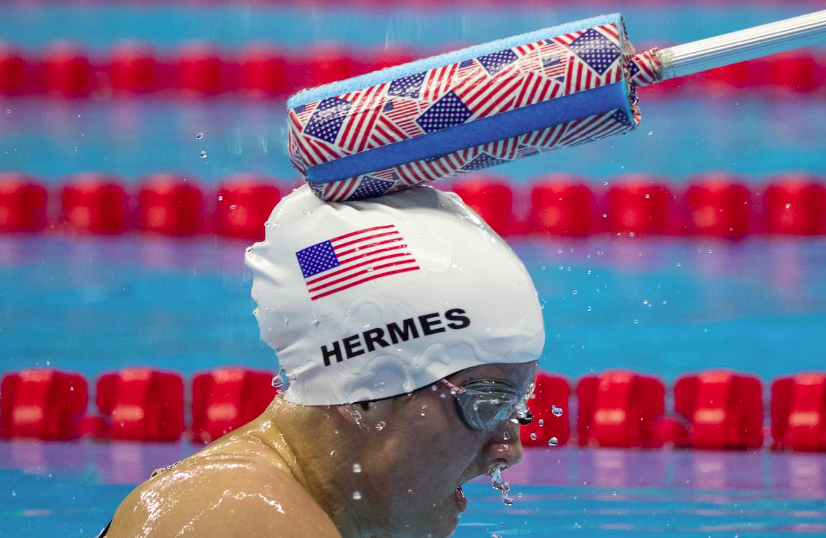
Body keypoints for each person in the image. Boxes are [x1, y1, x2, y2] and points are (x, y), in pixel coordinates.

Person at [102, 183, 545, 538]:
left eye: (516, 409)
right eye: (488, 406)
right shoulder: (241, 512)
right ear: (368, 389)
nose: (509, 449)